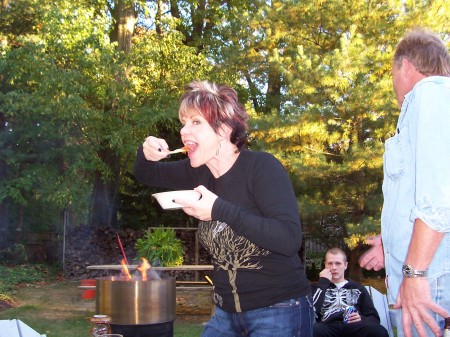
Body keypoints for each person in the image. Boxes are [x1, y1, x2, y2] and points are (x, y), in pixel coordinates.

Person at [133, 80, 314, 337]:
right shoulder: (196, 171)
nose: (184, 131)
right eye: (183, 122)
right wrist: (146, 152)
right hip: (225, 314)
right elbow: (145, 173)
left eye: (196, 122)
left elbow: (288, 238)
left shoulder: (262, 168)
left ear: (224, 129)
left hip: (279, 309)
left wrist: (219, 209)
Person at [359, 27, 450, 337]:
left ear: (405, 66)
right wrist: (390, 241)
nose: (393, 84)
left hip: (429, 274)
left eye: (392, 73)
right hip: (427, 269)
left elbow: (439, 199)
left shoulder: (431, 93)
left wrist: (415, 272)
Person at [311, 247, 389, 337]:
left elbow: (373, 318)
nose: (334, 267)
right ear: (325, 265)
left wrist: (361, 318)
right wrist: (323, 283)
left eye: (338, 263)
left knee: (378, 331)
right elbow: (309, 312)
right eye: (330, 263)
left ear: (345, 265)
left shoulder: (358, 288)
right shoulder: (317, 288)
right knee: (313, 331)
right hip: (327, 327)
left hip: (354, 326)